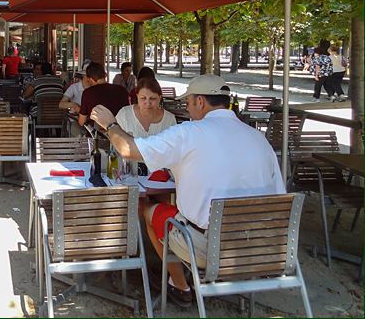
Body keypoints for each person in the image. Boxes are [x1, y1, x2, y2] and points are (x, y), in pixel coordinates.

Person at [90, 74, 284, 307]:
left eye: (188, 103)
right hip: (262, 246)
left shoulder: (189, 133)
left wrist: (110, 124)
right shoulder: (259, 140)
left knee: (148, 209)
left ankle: (180, 283)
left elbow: (128, 149)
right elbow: (279, 196)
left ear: (200, 102)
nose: (187, 109)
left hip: (207, 247)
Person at [78, 62, 129, 127]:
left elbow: (81, 122)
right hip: (121, 130)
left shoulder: (88, 93)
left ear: (90, 79)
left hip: (98, 134)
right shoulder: (122, 90)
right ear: (104, 75)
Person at [59, 70, 92, 137]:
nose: (90, 78)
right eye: (88, 76)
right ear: (83, 76)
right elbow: (61, 104)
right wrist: (74, 105)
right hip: (75, 119)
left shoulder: (94, 88)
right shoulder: (74, 87)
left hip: (91, 120)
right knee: (79, 135)